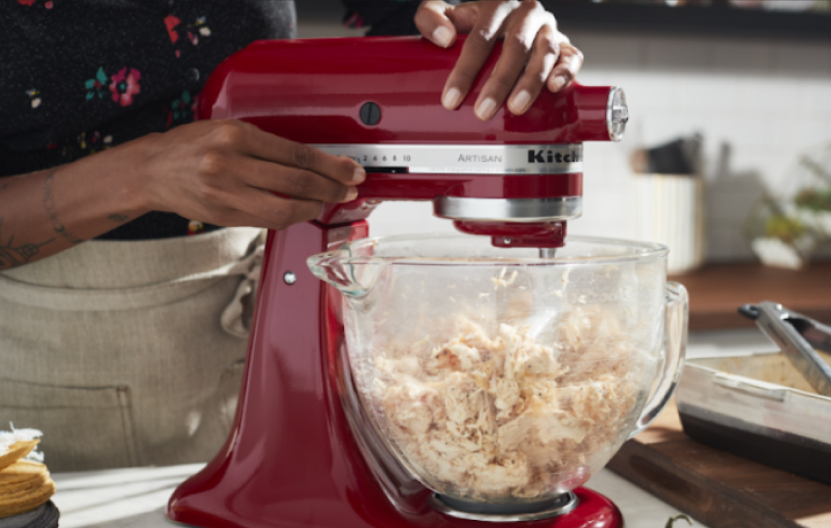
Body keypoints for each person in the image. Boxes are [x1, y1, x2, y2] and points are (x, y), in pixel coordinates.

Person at [0, 0, 585, 472]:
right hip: (59, 367)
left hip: (259, 303)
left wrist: (475, 21)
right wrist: (143, 174)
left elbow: (416, 13)